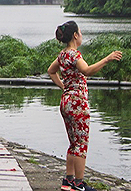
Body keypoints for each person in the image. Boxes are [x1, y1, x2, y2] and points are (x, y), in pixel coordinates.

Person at [48, 21, 122, 191]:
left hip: (66, 102)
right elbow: (87, 71)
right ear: (75, 35)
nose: (81, 35)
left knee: (73, 143)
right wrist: (107, 58)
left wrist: (64, 87)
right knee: (81, 143)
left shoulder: (63, 55)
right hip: (78, 103)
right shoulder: (74, 55)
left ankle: (68, 181)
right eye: (80, 32)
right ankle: (79, 184)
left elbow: (51, 71)